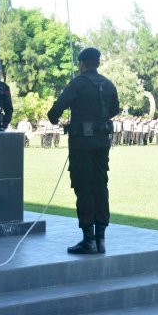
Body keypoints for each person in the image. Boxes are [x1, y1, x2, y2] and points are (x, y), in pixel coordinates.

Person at [48, 47, 120, 255]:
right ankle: (101, 239)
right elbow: (114, 109)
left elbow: (57, 108)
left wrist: (54, 118)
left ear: (82, 63)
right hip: (102, 142)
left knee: (83, 187)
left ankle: (88, 240)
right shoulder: (107, 84)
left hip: (81, 144)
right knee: (100, 185)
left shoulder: (77, 84)